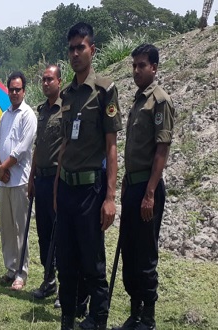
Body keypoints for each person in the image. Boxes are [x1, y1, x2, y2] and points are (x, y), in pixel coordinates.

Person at [54, 22, 122, 330]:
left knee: (93, 262)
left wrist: (110, 198)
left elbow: (111, 148)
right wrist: (56, 187)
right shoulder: (67, 94)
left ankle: (98, 318)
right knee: (66, 260)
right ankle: (68, 316)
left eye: (81, 47)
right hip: (67, 189)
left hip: (91, 192)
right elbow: (66, 144)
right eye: (71, 48)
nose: (75, 53)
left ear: (92, 50)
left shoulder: (105, 90)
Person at [112, 44, 174, 330]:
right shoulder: (138, 100)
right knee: (129, 250)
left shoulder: (159, 100)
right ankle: (134, 313)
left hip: (148, 189)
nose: (137, 70)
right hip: (133, 186)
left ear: (154, 68)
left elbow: (161, 150)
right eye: (134, 65)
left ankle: (147, 319)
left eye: (142, 65)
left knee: (146, 254)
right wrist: (126, 180)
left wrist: (150, 193)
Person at [0, 71, 37, 291]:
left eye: (17, 89)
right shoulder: (5, 115)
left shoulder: (28, 115)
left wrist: (3, 167)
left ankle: (22, 272)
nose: (14, 93)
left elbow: (22, 149)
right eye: (11, 89)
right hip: (4, 181)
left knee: (21, 228)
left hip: (20, 180)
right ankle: (10, 269)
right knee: (8, 228)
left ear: (24, 91)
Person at [29, 64, 63, 306]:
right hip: (40, 178)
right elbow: (37, 147)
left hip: (57, 180)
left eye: (50, 79)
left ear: (59, 81)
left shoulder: (66, 110)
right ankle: (48, 279)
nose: (46, 83)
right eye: (43, 80)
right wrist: (31, 177)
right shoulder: (41, 111)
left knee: (59, 234)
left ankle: (66, 285)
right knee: (43, 233)